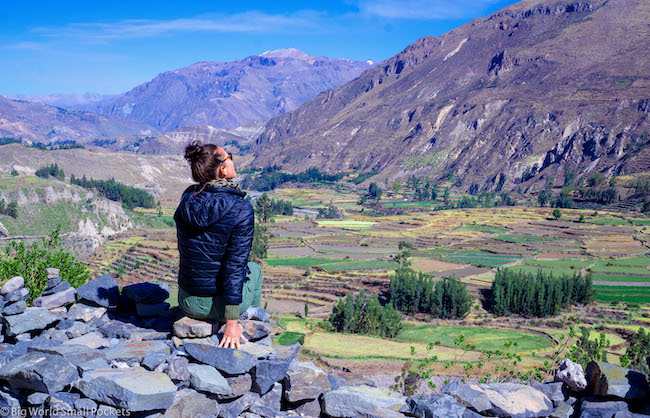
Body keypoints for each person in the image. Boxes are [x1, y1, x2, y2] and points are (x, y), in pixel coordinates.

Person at [174, 141, 263, 349]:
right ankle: (251, 322)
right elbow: (234, 266)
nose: (232, 158)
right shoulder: (241, 209)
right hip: (222, 308)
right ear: (223, 169)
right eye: (229, 155)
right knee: (255, 270)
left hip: (188, 302)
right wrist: (231, 323)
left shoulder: (187, 198)